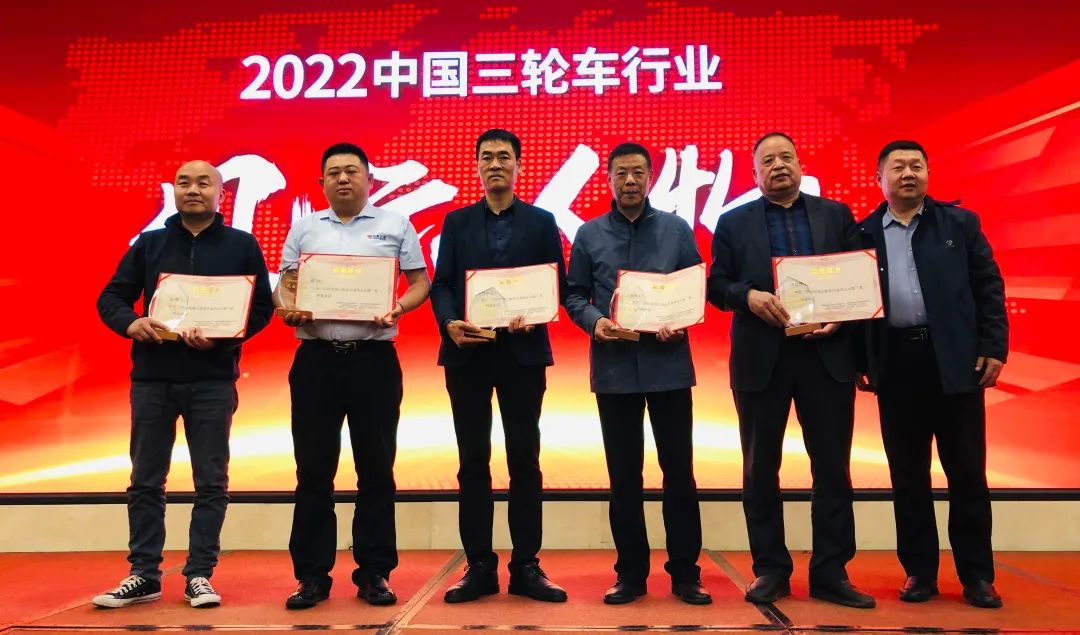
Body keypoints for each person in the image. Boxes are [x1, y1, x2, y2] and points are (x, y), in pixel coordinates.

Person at [94, 160, 274, 608]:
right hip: (153, 380)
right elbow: (111, 297)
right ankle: (144, 574)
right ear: (173, 191)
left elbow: (260, 310)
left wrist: (222, 337)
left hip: (212, 381)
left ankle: (199, 574)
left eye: (203, 183)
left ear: (220, 193)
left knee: (210, 482)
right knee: (145, 481)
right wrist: (132, 322)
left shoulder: (242, 245)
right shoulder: (150, 244)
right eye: (183, 182)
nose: (193, 189)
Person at [708, 132, 874, 609]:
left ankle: (831, 572)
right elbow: (717, 285)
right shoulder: (733, 222)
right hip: (762, 359)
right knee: (760, 468)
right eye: (767, 161)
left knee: (833, 468)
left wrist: (842, 316)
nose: (778, 166)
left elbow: (860, 276)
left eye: (786, 157)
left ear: (800, 165)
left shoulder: (835, 215)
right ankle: (771, 569)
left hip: (827, 355)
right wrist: (748, 296)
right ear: (755, 173)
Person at [277, 142, 430, 609]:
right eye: (334, 172)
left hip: (373, 361)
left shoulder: (395, 224)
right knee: (313, 471)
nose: (343, 179)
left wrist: (398, 307)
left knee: (376, 469)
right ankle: (311, 576)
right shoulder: (305, 228)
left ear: (368, 178)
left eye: (351, 171)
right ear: (321, 182)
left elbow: (420, 282)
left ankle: (375, 572)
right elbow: (286, 285)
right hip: (316, 360)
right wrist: (288, 308)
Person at [858, 140, 1007, 609]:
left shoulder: (959, 224)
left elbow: (988, 286)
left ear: (927, 173)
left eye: (917, 166)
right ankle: (919, 573)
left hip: (956, 361)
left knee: (967, 473)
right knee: (908, 476)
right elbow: (855, 306)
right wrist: (862, 361)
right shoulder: (862, 234)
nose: (908, 173)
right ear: (879, 178)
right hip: (897, 364)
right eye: (898, 167)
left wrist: (993, 347)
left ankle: (977, 576)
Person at [565, 142, 711, 606]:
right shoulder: (589, 234)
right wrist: (595, 322)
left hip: (669, 367)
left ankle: (686, 573)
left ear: (651, 178)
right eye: (622, 173)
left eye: (638, 173)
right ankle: (630, 574)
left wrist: (680, 321)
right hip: (614, 369)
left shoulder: (676, 229)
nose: (630, 181)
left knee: (679, 474)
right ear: (608, 179)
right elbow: (574, 295)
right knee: (624, 477)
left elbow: (694, 288)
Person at [430, 129, 568, 603]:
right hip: (467, 353)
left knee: (525, 460)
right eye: (486, 157)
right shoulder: (457, 221)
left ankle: (526, 564)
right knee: (473, 461)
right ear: (477, 167)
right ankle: (479, 566)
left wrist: (536, 313)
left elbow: (555, 282)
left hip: (522, 355)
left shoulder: (542, 222)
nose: (495, 164)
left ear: (518, 165)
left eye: (504, 157)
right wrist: (448, 322)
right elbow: (443, 283)